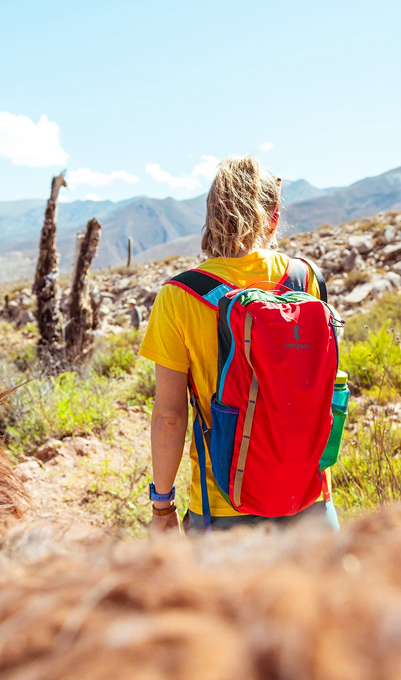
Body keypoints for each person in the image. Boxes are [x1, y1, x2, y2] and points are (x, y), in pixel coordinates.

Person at [138, 156, 339, 534]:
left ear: (212, 216)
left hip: (223, 509)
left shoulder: (180, 295)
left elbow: (169, 416)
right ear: (273, 217)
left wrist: (162, 507)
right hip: (308, 501)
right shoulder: (305, 278)